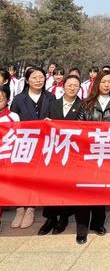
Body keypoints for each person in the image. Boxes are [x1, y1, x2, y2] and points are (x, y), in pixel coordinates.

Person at [74, 70, 110, 244]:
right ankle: (82, 227)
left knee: (101, 189)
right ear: (97, 83)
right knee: (84, 191)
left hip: (107, 153)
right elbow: (78, 129)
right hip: (88, 154)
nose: (107, 85)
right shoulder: (86, 103)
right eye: (103, 82)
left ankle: (98, 223)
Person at [10, 66, 55, 229]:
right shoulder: (18, 99)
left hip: (43, 143)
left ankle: (30, 208)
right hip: (24, 144)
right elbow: (12, 121)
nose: (38, 80)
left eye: (41, 77)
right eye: (34, 77)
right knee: (21, 176)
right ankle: (19, 208)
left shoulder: (51, 97)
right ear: (27, 80)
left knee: (37, 176)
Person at [39, 75, 84, 235]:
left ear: (80, 88)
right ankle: (50, 218)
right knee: (52, 185)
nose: (72, 88)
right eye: (69, 85)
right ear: (63, 86)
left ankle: (64, 218)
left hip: (73, 152)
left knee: (67, 186)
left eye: (76, 86)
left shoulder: (83, 106)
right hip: (55, 152)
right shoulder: (53, 104)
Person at [0, 86, 20, 231]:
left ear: (7, 99)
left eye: (1, 99)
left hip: (5, 159)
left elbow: (18, 137)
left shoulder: (13, 116)